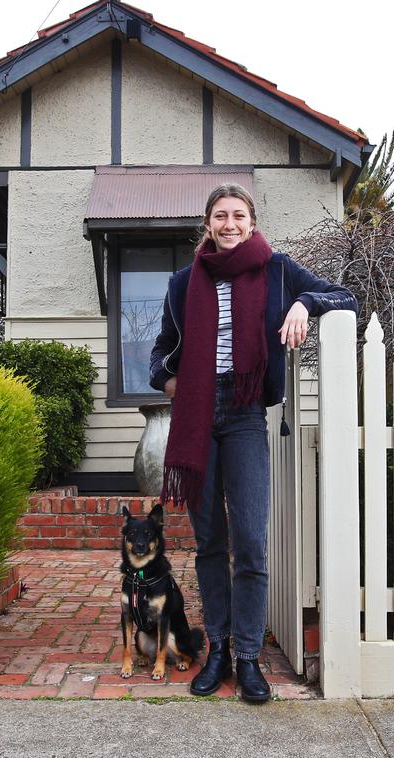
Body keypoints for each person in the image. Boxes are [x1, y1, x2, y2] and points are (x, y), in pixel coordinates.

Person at [148, 183, 357, 702]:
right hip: (196, 416)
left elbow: (344, 296)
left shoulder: (277, 270)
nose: (229, 224)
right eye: (220, 215)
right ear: (208, 223)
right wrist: (175, 383)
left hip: (244, 416)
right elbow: (159, 355)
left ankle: (247, 656)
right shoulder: (182, 283)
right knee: (209, 542)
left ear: (252, 221)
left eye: (238, 215)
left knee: (251, 541)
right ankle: (216, 648)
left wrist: (303, 305)